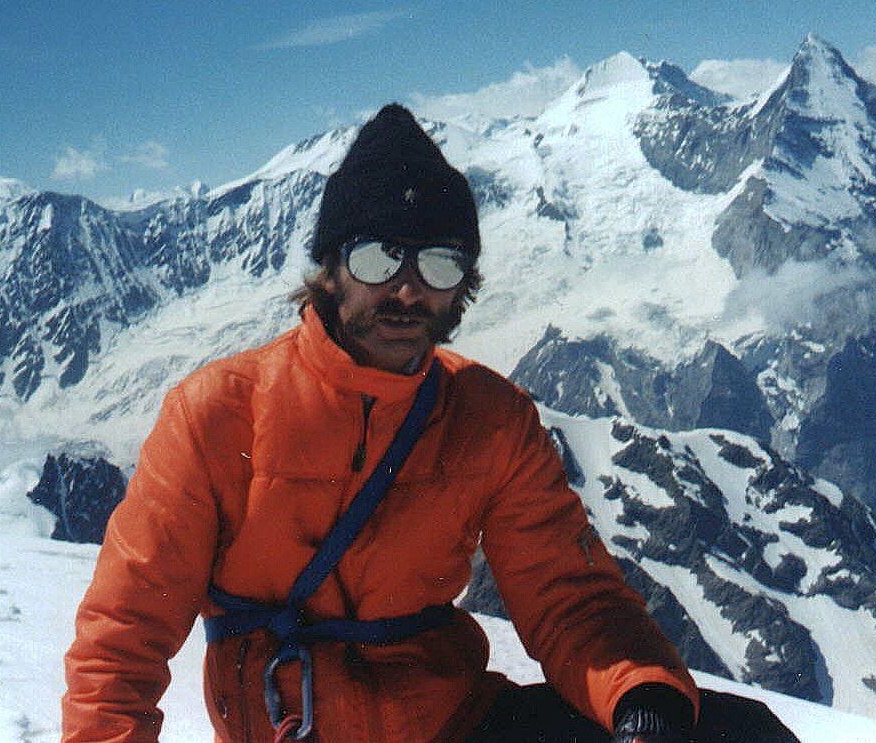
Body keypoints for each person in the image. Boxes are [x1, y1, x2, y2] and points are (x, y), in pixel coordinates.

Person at [63, 103, 705, 743]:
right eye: (379, 258)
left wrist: (641, 697)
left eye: (440, 265)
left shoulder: (491, 418)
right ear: (331, 271)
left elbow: (567, 595)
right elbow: (122, 640)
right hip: (294, 730)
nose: (407, 290)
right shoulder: (215, 414)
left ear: (464, 287)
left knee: (732, 731)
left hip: (454, 724)